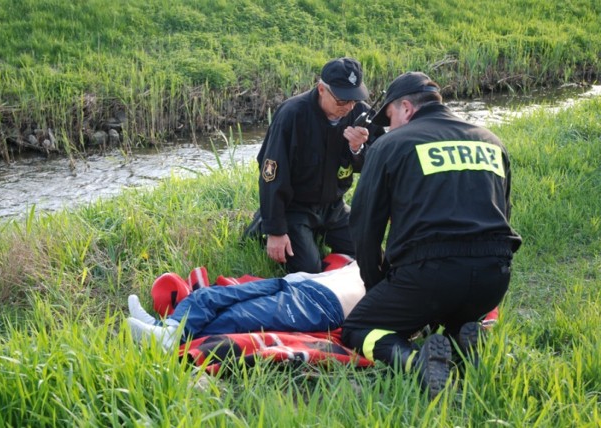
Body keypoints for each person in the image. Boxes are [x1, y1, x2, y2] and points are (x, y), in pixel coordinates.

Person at [340, 72, 523, 398]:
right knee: (453, 309)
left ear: (406, 108)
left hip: (429, 278)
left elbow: (365, 229)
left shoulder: (390, 144)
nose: (389, 126)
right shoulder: (491, 141)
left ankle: (415, 363)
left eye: (390, 117)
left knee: (358, 328)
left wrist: (377, 289)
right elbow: (503, 215)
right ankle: (462, 337)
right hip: (493, 280)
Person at [255, 57, 384, 273]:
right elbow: (271, 175)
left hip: (335, 206)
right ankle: (262, 224)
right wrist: (276, 230)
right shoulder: (292, 115)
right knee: (309, 272)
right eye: (342, 100)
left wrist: (357, 149)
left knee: (374, 256)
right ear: (322, 89)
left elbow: (379, 163)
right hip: (296, 208)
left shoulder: (359, 112)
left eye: (354, 99)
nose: (349, 106)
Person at [128, 260, 365, 350]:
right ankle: (166, 326)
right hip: (295, 285)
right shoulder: (364, 259)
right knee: (212, 296)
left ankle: (170, 338)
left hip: (318, 305)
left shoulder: (389, 282)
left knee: (239, 316)